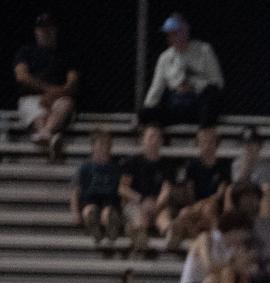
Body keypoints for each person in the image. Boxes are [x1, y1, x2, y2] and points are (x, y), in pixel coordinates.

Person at [140, 13, 222, 128]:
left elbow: (217, 82)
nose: (172, 38)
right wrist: (146, 110)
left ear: (186, 31)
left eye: (176, 33)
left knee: (210, 96)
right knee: (146, 114)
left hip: (199, 102)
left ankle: (204, 133)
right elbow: (156, 89)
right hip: (177, 104)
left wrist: (194, 85)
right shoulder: (165, 57)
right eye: (169, 34)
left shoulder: (204, 50)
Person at [13, 12, 76, 155]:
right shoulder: (26, 51)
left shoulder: (65, 54)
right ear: (36, 31)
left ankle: (44, 134)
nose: (45, 32)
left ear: (55, 30)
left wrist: (54, 95)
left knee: (66, 103)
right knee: (32, 106)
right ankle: (49, 137)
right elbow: (21, 76)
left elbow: (72, 83)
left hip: (59, 98)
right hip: (32, 97)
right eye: (42, 29)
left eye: (49, 28)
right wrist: (47, 91)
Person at [117, 123, 172, 254]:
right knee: (141, 218)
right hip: (136, 202)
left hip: (158, 204)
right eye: (151, 137)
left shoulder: (167, 165)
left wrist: (157, 205)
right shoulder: (132, 162)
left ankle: (171, 236)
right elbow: (122, 188)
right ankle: (138, 233)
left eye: (158, 137)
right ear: (143, 140)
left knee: (165, 218)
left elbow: (167, 189)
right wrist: (142, 200)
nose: (155, 140)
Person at [70, 130, 123, 248]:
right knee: (89, 211)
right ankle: (94, 229)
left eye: (106, 145)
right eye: (100, 144)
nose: (103, 148)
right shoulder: (85, 167)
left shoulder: (116, 167)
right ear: (93, 147)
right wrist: (75, 212)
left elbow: (122, 188)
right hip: (90, 199)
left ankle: (111, 228)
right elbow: (75, 190)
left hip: (109, 200)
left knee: (108, 212)